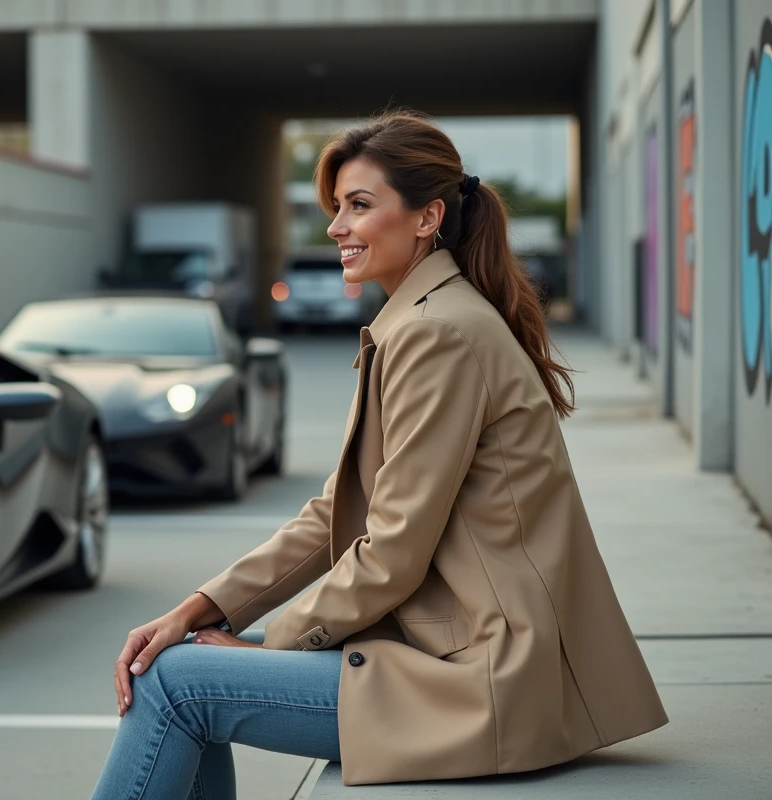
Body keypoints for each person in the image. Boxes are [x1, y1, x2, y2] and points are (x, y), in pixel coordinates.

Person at [91, 111, 667, 798]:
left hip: (483, 676)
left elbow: (392, 550)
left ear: (426, 219)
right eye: (336, 207)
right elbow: (337, 509)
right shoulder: (428, 320)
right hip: (465, 656)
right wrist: (199, 610)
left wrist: (268, 645)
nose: (336, 227)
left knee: (174, 685)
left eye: (359, 206)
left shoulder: (437, 335)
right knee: (180, 662)